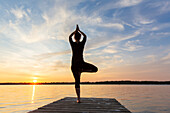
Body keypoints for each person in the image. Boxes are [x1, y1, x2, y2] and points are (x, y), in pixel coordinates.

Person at [69, 25, 98, 103]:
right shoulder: (81, 44)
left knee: (77, 82)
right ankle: (82, 70)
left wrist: (75, 31)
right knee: (95, 69)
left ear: (75, 38)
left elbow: (69, 37)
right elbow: (85, 36)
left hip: (76, 66)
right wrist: (79, 31)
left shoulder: (73, 44)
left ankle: (78, 98)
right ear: (80, 37)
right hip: (80, 65)